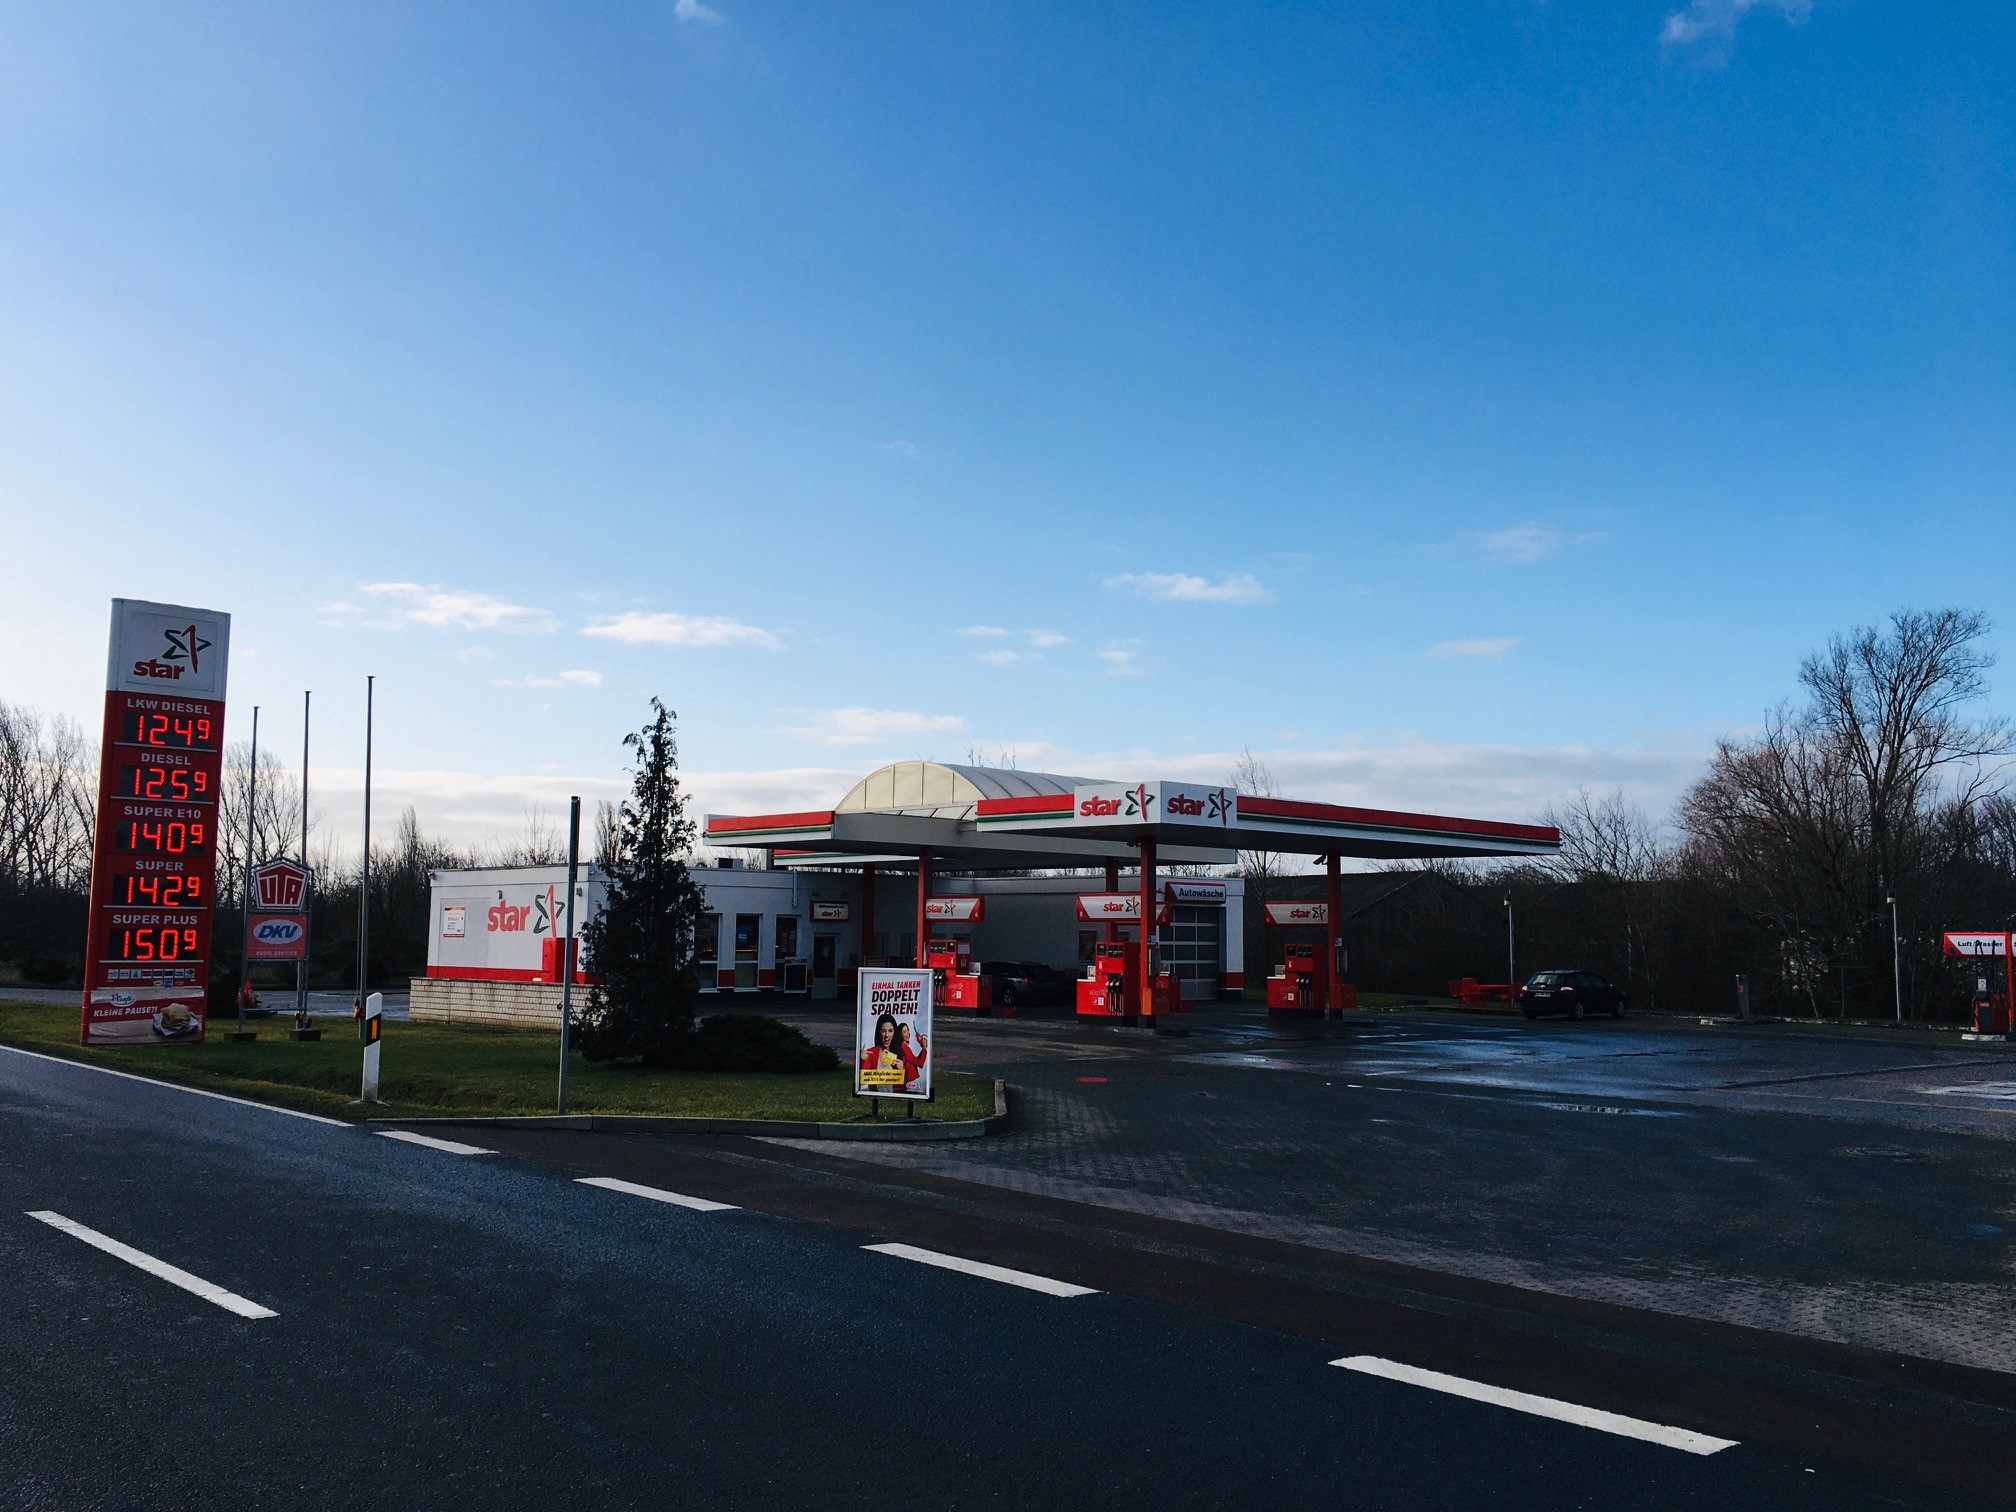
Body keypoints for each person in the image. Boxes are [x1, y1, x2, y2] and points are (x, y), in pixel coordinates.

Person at [860, 1013, 902, 1081]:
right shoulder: (870, 1053)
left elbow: (904, 1087)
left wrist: (901, 1071)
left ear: (894, 1032)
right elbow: (863, 1080)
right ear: (879, 1032)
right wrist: (862, 1061)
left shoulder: (900, 1054)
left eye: (890, 1031)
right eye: (883, 1031)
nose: (887, 1035)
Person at [894, 1022, 928, 1094]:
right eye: (904, 1032)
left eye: (908, 1030)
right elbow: (920, 1063)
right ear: (900, 1035)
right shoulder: (904, 1048)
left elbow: (915, 1061)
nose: (908, 1033)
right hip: (910, 1083)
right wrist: (924, 1048)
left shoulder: (903, 1047)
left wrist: (923, 1048)